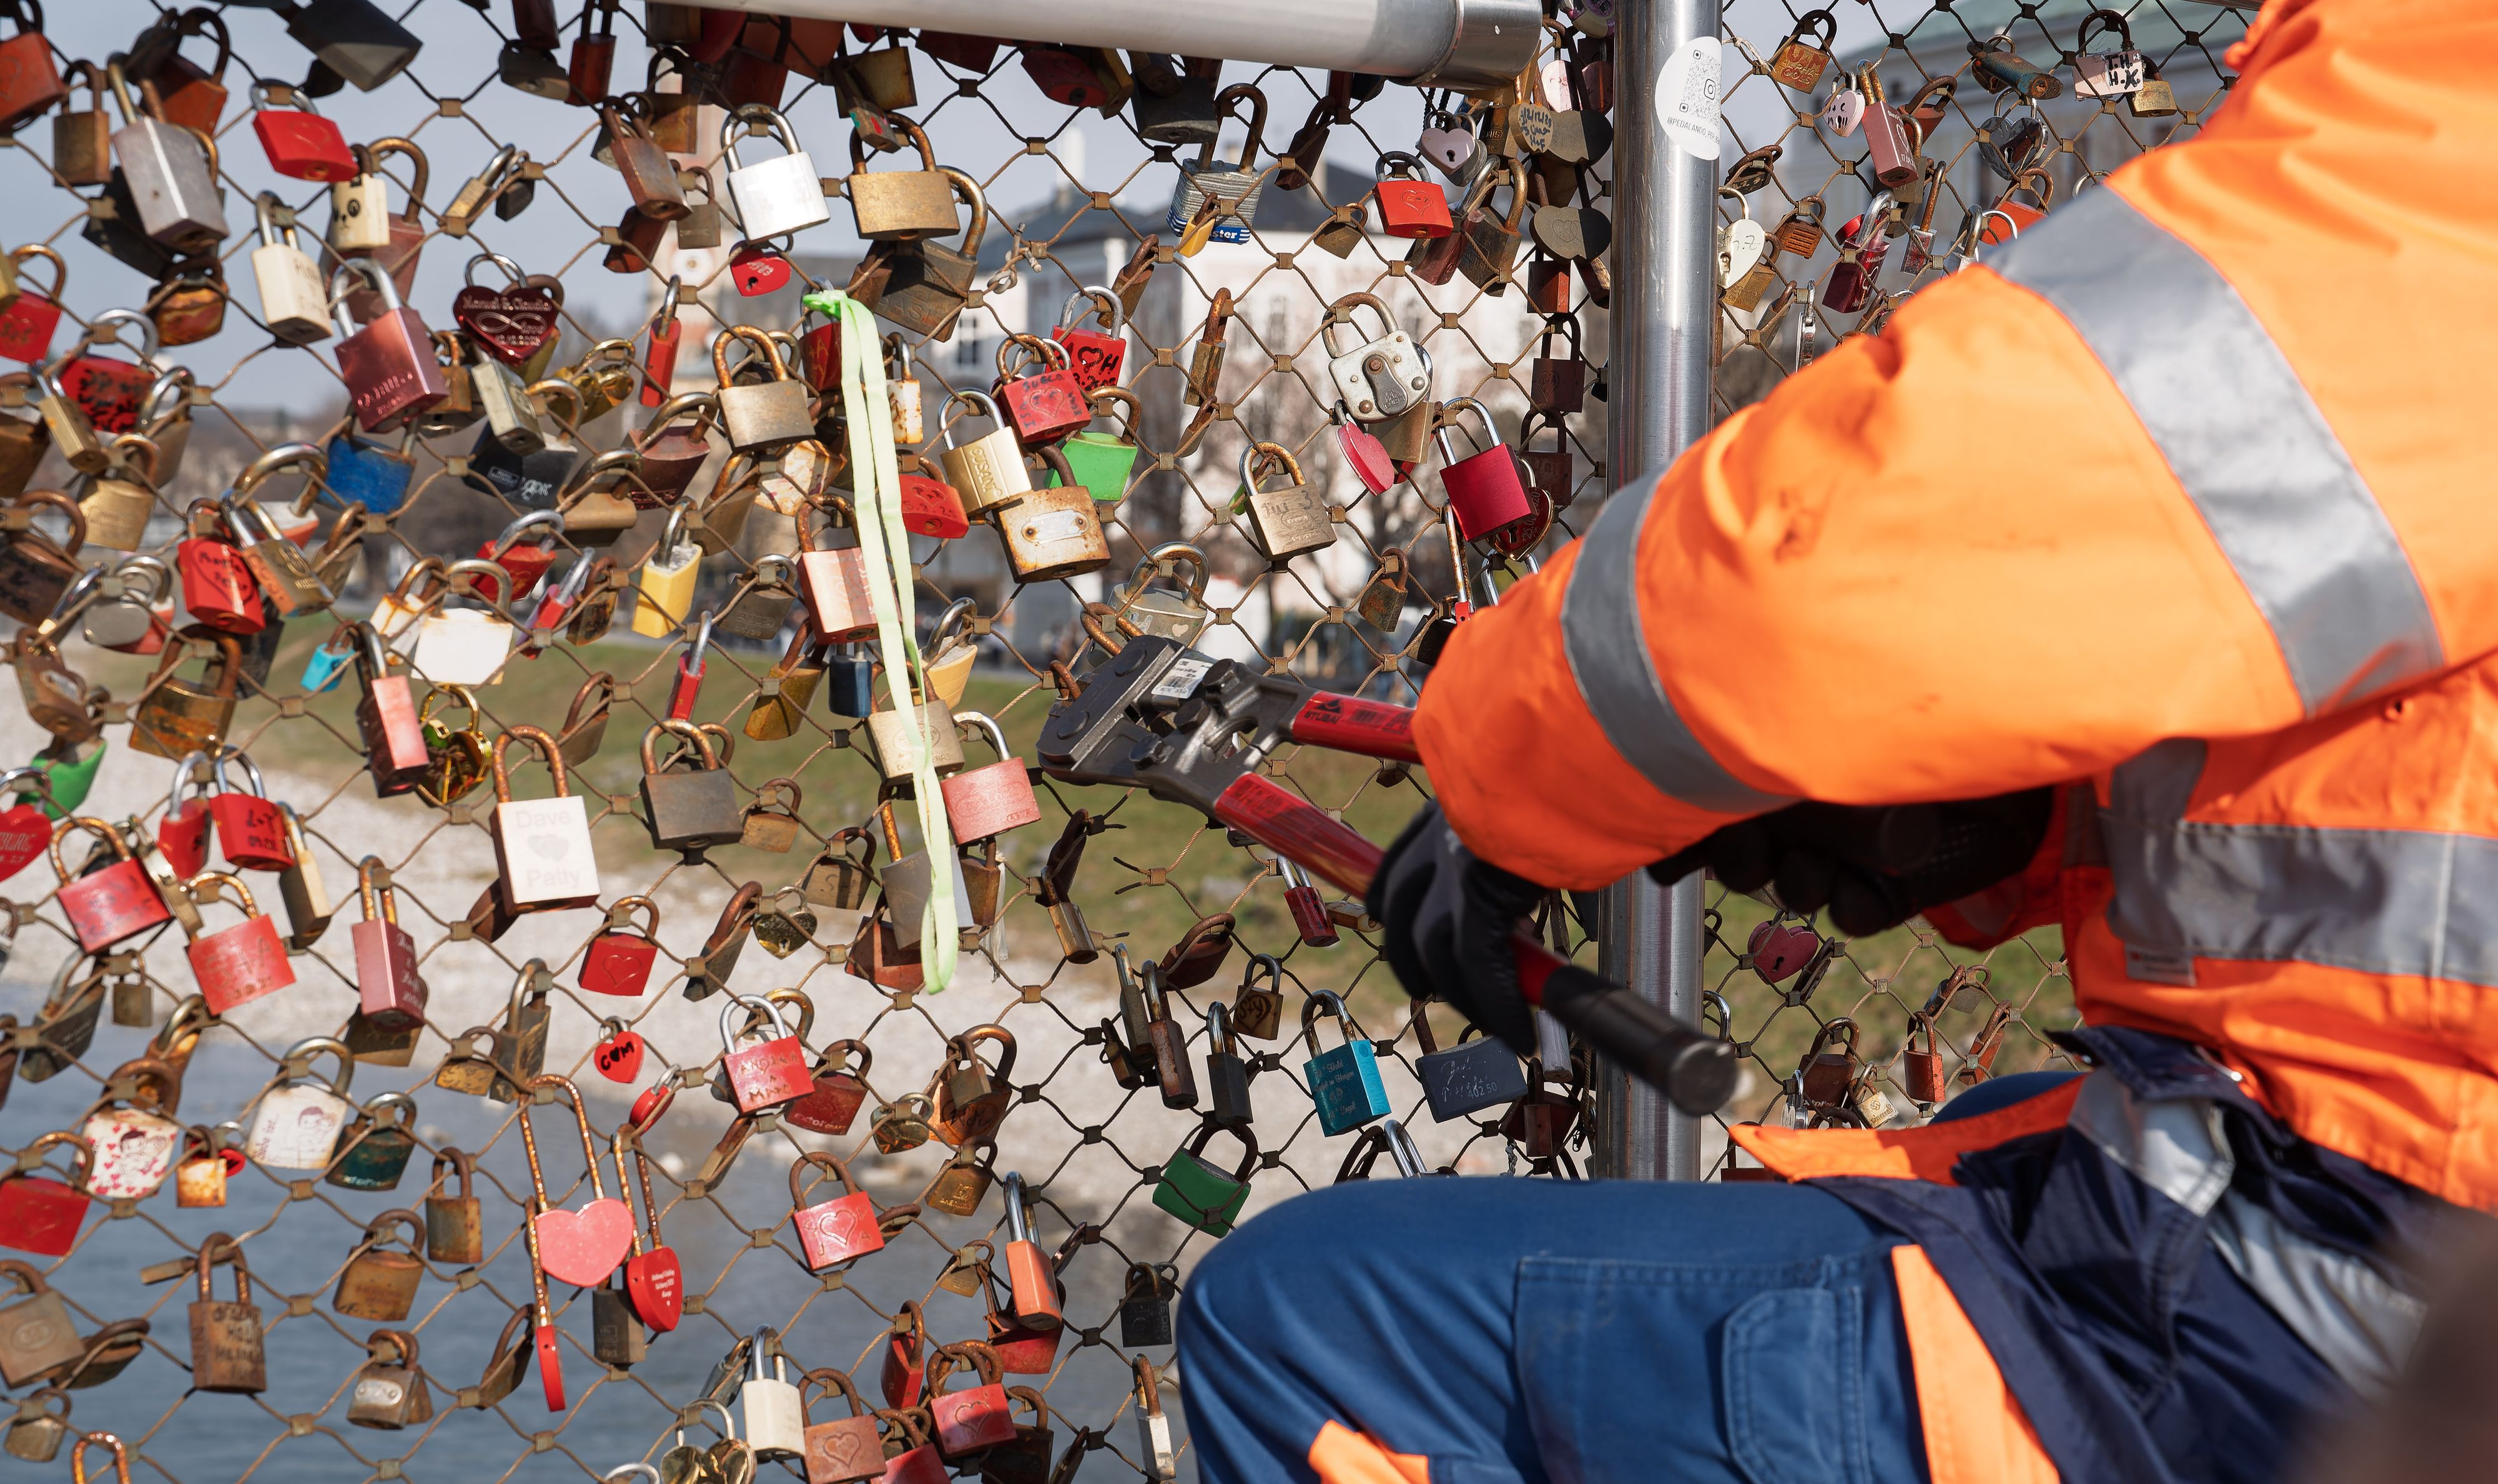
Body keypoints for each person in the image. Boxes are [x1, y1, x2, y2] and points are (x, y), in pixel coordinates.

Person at [1175, 2, 2496, 1481]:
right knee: (1996, 1125)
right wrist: (2019, 815)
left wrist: (1502, 773)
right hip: (2386, 1220)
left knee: (1305, 1323)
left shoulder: (2450, 99)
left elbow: (1885, 536)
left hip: (2346, 1317)